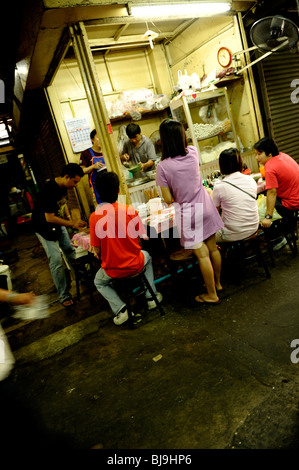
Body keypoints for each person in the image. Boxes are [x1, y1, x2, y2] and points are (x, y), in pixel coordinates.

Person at [156, 119, 224, 305]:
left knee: (202, 255)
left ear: (164, 140)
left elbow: (168, 199)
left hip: (189, 213)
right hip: (206, 206)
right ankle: (217, 284)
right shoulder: (193, 152)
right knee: (212, 249)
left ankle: (211, 295)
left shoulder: (162, 167)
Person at [89, 171, 163, 325]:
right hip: (136, 263)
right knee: (147, 256)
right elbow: (143, 236)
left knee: (99, 282)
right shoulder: (130, 210)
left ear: (98, 192)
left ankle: (122, 310)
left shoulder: (94, 217)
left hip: (113, 269)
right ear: (117, 190)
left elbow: (96, 250)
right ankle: (151, 297)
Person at [31, 163, 86, 308]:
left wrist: (69, 218)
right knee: (56, 261)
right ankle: (64, 295)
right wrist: (72, 224)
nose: (75, 185)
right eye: (74, 182)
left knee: (69, 250)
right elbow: (49, 218)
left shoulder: (64, 186)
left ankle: (82, 278)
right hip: (44, 226)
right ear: (66, 177)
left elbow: (62, 204)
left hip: (57, 223)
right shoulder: (49, 190)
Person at [254, 137, 299, 249]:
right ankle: (289, 230)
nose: (257, 157)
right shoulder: (283, 156)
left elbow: (272, 192)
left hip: (292, 203)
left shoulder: (270, 167)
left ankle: (278, 238)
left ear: (269, 154)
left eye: (259, 154)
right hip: (296, 195)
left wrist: (268, 217)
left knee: (260, 206)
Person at [212, 148, 259, 242]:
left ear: (222, 166)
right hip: (254, 227)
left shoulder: (219, 187)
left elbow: (214, 214)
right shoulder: (250, 180)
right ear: (240, 162)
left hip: (233, 234)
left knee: (203, 237)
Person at [80, 129, 107, 205]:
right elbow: (82, 171)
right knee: (102, 211)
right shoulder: (86, 153)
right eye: (98, 137)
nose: (101, 139)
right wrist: (93, 166)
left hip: (110, 185)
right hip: (96, 187)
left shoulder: (107, 150)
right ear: (92, 139)